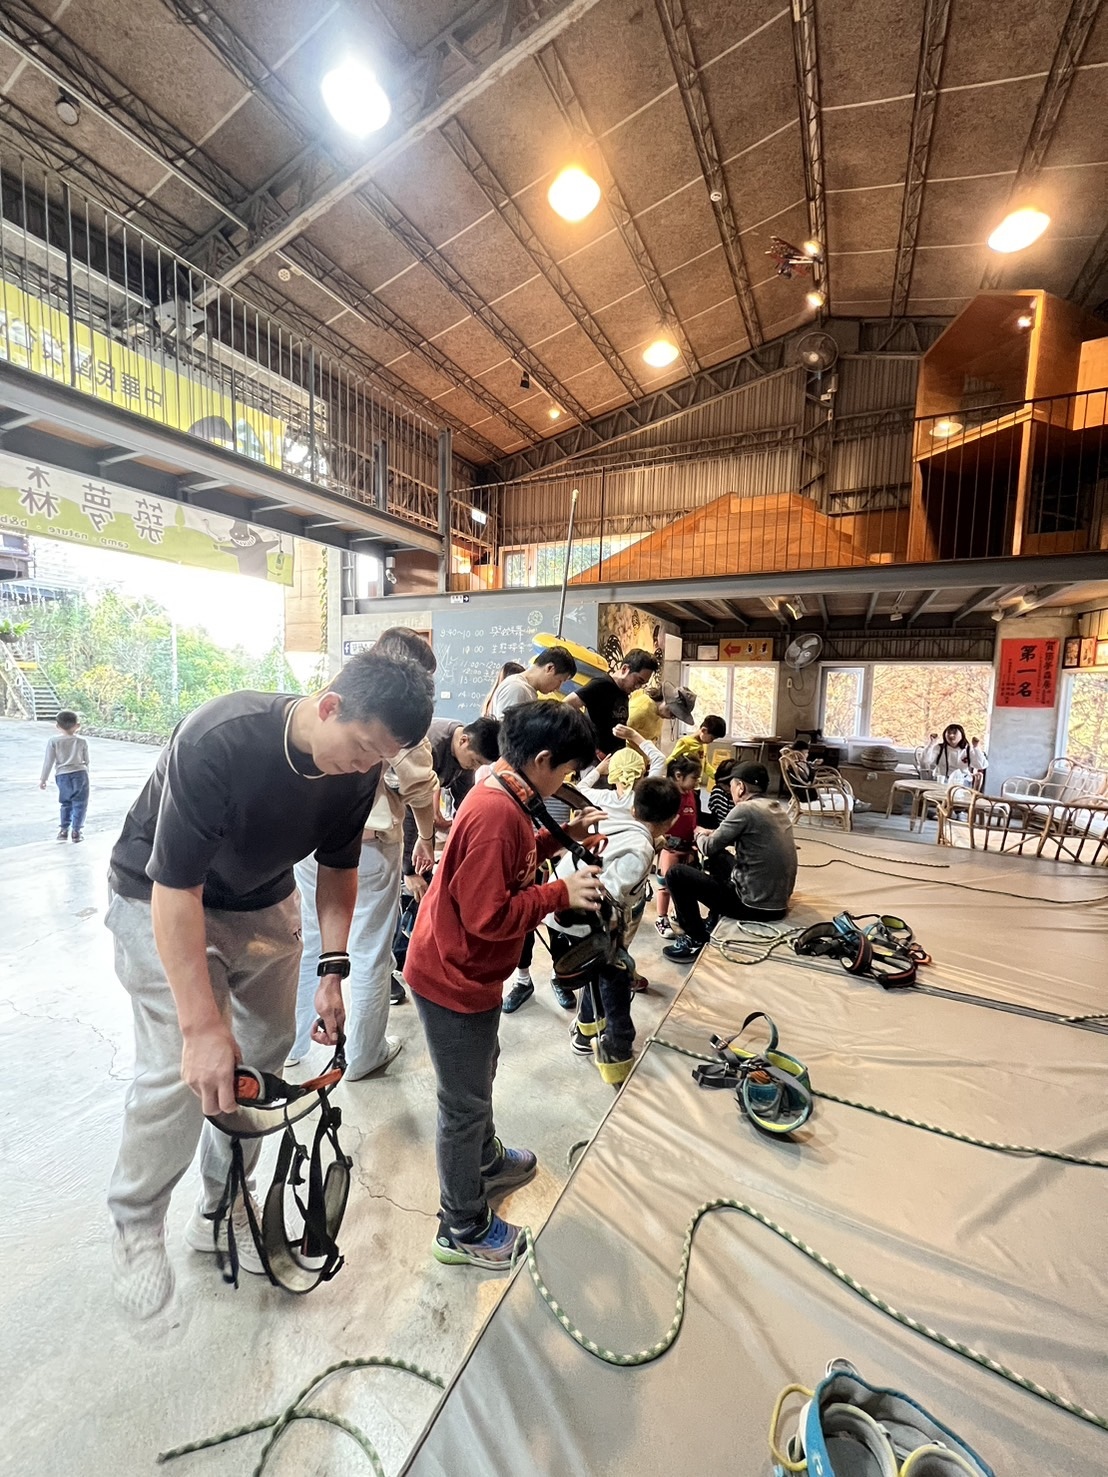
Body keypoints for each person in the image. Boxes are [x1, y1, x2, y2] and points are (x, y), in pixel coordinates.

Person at [103, 650, 434, 1319]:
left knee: (261, 1055)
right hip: (157, 895)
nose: (367, 765)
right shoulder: (219, 738)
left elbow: (339, 868)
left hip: (261, 898)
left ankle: (223, 1203)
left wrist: (333, 969)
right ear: (331, 705)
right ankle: (135, 1223)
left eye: (382, 756)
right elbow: (177, 888)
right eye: (364, 746)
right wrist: (200, 1025)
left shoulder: (357, 769)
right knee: (183, 1069)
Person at [404, 701, 604, 1270]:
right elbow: (488, 917)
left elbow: (505, 866)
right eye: (565, 772)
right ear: (541, 760)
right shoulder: (498, 812)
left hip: (467, 969)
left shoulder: (506, 793)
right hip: (452, 975)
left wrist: (559, 837)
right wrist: (557, 896)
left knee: (480, 1069)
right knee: (461, 1104)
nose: (567, 782)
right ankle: (461, 1225)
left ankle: (485, 1163)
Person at [288, 628, 440, 1070]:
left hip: (310, 844)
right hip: (368, 847)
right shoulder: (398, 715)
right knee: (372, 950)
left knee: (311, 944)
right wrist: (426, 838)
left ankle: (294, 1048)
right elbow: (419, 788)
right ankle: (363, 1055)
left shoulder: (331, 695)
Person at [502, 723, 665, 1014]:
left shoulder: (598, 798)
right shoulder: (639, 801)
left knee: (573, 941)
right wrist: (636, 739)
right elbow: (660, 763)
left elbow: (579, 789)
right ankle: (574, 976)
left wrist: (599, 769)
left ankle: (568, 976)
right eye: (565, 770)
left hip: (583, 879)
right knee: (601, 937)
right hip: (588, 883)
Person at [547, 774, 681, 1087]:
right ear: (673, 820)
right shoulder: (639, 853)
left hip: (558, 912)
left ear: (635, 810)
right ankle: (616, 1052)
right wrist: (616, 944)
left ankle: (586, 1029)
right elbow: (607, 898)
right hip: (583, 922)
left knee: (601, 979)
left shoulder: (618, 822)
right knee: (616, 979)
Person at [393, 716, 502, 1002]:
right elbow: (408, 810)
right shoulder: (432, 745)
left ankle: (405, 954)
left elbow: (465, 798)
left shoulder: (463, 751)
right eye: (475, 761)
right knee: (404, 891)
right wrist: (408, 870)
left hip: (416, 825)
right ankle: (390, 966)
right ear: (464, 740)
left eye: (481, 765)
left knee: (421, 887)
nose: (475, 767)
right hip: (388, 819)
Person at [662, 762, 797, 964]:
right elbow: (749, 839)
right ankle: (714, 918)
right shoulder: (774, 807)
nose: (730, 791)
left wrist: (698, 832)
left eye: (732, 786)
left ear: (740, 787)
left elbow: (707, 847)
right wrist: (712, 833)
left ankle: (694, 939)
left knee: (676, 875)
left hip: (751, 905)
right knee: (720, 858)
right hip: (777, 903)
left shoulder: (744, 809)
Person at [565, 648, 659, 758]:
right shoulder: (601, 684)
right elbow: (566, 705)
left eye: (642, 684)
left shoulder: (624, 692)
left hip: (614, 761)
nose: (638, 687)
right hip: (595, 760)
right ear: (625, 669)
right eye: (638, 681)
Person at [654, 754, 703, 939]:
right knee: (665, 885)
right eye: (694, 778)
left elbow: (693, 819)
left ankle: (679, 913)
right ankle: (661, 918)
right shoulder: (667, 795)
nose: (696, 782)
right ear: (678, 775)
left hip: (688, 847)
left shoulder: (691, 794)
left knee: (685, 886)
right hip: (670, 848)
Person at [39, 709, 90, 842]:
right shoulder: (82, 741)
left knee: (66, 803)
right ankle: (76, 832)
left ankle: (63, 831)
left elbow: (48, 761)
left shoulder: (54, 741)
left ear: (57, 726)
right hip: (80, 774)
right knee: (80, 803)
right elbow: (87, 760)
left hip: (62, 775)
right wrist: (86, 773)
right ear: (77, 726)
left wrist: (43, 779)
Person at [489, 648, 577, 718]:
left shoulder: (528, 691)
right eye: (560, 681)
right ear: (550, 668)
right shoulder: (516, 688)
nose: (558, 688)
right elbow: (506, 733)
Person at [667, 713, 727, 790]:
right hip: (684, 787)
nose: (711, 741)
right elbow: (671, 759)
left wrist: (718, 776)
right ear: (704, 730)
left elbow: (704, 765)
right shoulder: (685, 742)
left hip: (696, 786)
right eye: (711, 738)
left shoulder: (704, 745)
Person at [627, 683, 696, 745]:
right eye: (672, 712)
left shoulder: (659, 713)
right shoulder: (640, 711)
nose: (670, 717)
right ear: (666, 700)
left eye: (674, 716)